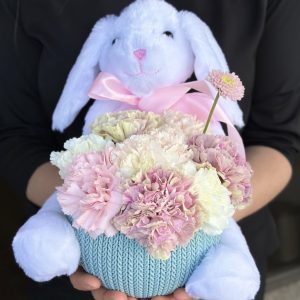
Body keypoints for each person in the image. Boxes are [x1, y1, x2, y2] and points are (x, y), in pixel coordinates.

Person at [1, 0, 300, 299]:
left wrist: (200, 219)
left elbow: (280, 136)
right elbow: (14, 137)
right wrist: (90, 212)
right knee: (48, 247)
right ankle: (50, 242)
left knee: (228, 282)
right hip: (82, 255)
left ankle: (227, 269)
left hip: (208, 258)